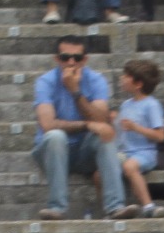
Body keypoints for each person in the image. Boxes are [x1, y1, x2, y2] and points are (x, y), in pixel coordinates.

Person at [32, 37, 123, 221]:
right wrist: (87, 124)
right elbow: (47, 125)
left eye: (77, 57)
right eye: (65, 57)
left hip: (84, 152)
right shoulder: (45, 82)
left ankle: (116, 206)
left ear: (85, 59)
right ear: (57, 59)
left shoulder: (96, 80)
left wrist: (75, 92)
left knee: (104, 136)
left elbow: (102, 120)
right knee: (56, 137)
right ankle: (57, 207)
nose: (71, 62)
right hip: (52, 152)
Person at [115, 58, 164, 218]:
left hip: (145, 153)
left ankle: (148, 206)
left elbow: (160, 135)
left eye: (126, 76)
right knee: (100, 172)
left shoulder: (151, 105)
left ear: (138, 84)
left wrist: (135, 127)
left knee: (130, 167)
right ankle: (116, 208)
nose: (121, 78)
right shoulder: (125, 105)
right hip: (125, 152)